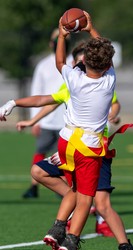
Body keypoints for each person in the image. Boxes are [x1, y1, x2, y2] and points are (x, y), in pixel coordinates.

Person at [0, 11, 133, 250]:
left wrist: (62, 36)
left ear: (84, 61)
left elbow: (59, 62)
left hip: (67, 143)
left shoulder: (73, 79)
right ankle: (71, 242)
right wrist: (90, 27)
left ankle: (58, 226)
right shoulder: (109, 81)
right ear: (108, 64)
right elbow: (103, 52)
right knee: (86, 199)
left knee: (75, 189)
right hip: (90, 147)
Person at [22, 28, 72, 199]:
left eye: (64, 40)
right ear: (52, 44)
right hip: (46, 119)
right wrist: (34, 120)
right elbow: (37, 92)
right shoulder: (43, 65)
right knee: (41, 151)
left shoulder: (74, 63)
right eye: (57, 40)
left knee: (65, 156)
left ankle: (64, 187)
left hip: (67, 121)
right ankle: (34, 186)